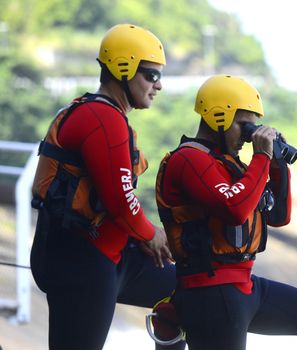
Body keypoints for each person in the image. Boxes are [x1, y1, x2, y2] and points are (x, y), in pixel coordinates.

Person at [155, 74, 297, 350]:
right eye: (244, 126)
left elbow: (279, 216)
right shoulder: (189, 159)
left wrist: (277, 166)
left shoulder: (231, 166)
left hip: (243, 285)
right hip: (210, 291)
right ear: (218, 117)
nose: (248, 136)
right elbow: (234, 210)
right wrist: (262, 157)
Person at [30, 24, 185, 350]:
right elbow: (121, 202)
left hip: (105, 255)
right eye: (151, 75)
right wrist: (151, 234)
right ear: (123, 68)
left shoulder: (102, 114)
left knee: (190, 290)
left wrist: (142, 236)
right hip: (82, 263)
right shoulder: (103, 119)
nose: (159, 85)